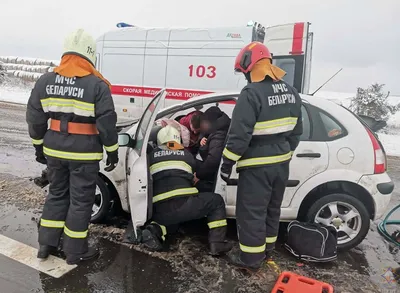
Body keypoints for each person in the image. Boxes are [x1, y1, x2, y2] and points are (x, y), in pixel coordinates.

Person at [26, 28, 119, 265]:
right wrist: (112, 150)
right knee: (80, 201)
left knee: (57, 195)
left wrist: (39, 147)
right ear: (90, 55)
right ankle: (76, 251)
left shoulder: (46, 80)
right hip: (84, 154)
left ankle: (46, 244)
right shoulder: (97, 85)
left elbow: (35, 118)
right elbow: (107, 124)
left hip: (54, 151)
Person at [219, 41, 303, 270]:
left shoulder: (251, 93)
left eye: (244, 72)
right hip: (281, 164)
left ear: (251, 66)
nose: (245, 76)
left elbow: (239, 135)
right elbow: (297, 132)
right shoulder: (291, 91)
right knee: (271, 209)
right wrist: (282, 153)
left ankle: (250, 260)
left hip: (257, 166)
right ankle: (267, 250)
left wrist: (226, 164)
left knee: (252, 213)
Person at [141, 125, 232, 256]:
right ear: (177, 139)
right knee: (216, 201)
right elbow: (196, 175)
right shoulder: (186, 154)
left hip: (159, 209)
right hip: (185, 205)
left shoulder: (150, 156)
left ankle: (154, 229)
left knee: (169, 223)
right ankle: (217, 244)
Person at [194, 106, 231, 192]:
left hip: (208, 178)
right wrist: (201, 140)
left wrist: (198, 175)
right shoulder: (215, 129)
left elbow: (213, 160)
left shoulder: (219, 134)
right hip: (205, 172)